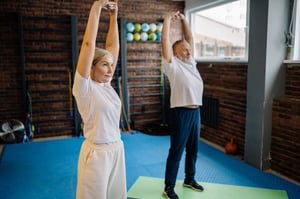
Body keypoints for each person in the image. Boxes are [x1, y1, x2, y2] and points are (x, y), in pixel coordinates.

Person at [72, 1, 127, 199]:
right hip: (96, 156)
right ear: (92, 67)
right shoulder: (84, 87)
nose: (111, 69)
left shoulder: (106, 85)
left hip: (117, 150)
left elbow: (113, 46)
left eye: (111, 65)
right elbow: (88, 45)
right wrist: (96, 8)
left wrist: (113, 17)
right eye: (105, 65)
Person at [161, 11, 204, 199]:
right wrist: (168, 20)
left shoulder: (191, 63)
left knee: (193, 149)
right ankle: (169, 186)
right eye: (184, 50)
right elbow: (165, 41)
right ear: (175, 53)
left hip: (196, 112)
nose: (189, 51)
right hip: (181, 112)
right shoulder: (172, 65)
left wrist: (185, 19)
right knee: (177, 150)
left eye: (189, 49)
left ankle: (189, 179)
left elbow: (190, 37)